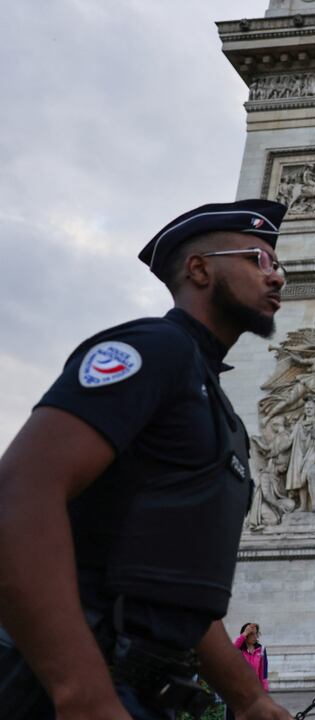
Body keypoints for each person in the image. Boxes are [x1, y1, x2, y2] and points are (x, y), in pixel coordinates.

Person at [0, 200, 292, 720]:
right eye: (256, 259)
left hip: (144, 692)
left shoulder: (218, 409)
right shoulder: (152, 351)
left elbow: (175, 590)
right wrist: (82, 694)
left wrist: (248, 698)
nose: (277, 277)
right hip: (73, 686)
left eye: (277, 263)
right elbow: (21, 493)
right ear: (199, 269)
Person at [226, 623, 270, 720]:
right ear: (246, 635)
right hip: (237, 691)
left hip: (253, 692)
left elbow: (263, 673)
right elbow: (230, 651)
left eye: (256, 634)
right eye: (252, 634)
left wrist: (264, 692)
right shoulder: (239, 649)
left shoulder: (261, 650)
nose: (255, 637)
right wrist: (244, 634)